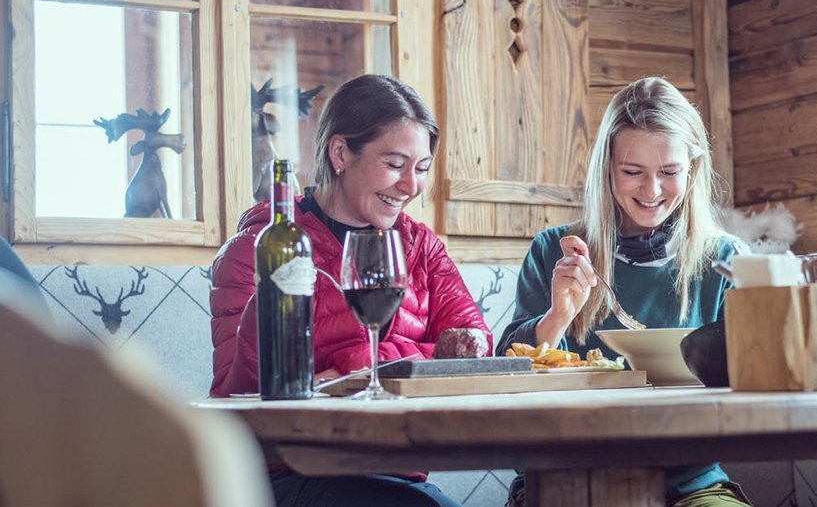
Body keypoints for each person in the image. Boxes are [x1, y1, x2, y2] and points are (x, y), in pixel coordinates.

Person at [211, 74, 490, 507]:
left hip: (395, 473)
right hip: (287, 477)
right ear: (340, 152)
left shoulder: (422, 247)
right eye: (395, 164)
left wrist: (348, 370)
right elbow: (237, 397)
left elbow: (472, 351)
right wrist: (408, 359)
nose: (410, 186)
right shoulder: (257, 250)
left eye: (420, 169)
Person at [496, 77, 750, 506]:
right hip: (565, 479)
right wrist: (556, 318)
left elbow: (761, 376)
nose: (652, 192)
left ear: (693, 169)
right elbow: (502, 377)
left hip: (689, 481)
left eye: (669, 172)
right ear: (606, 171)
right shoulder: (553, 251)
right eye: (633, 172)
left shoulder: (724, 259)